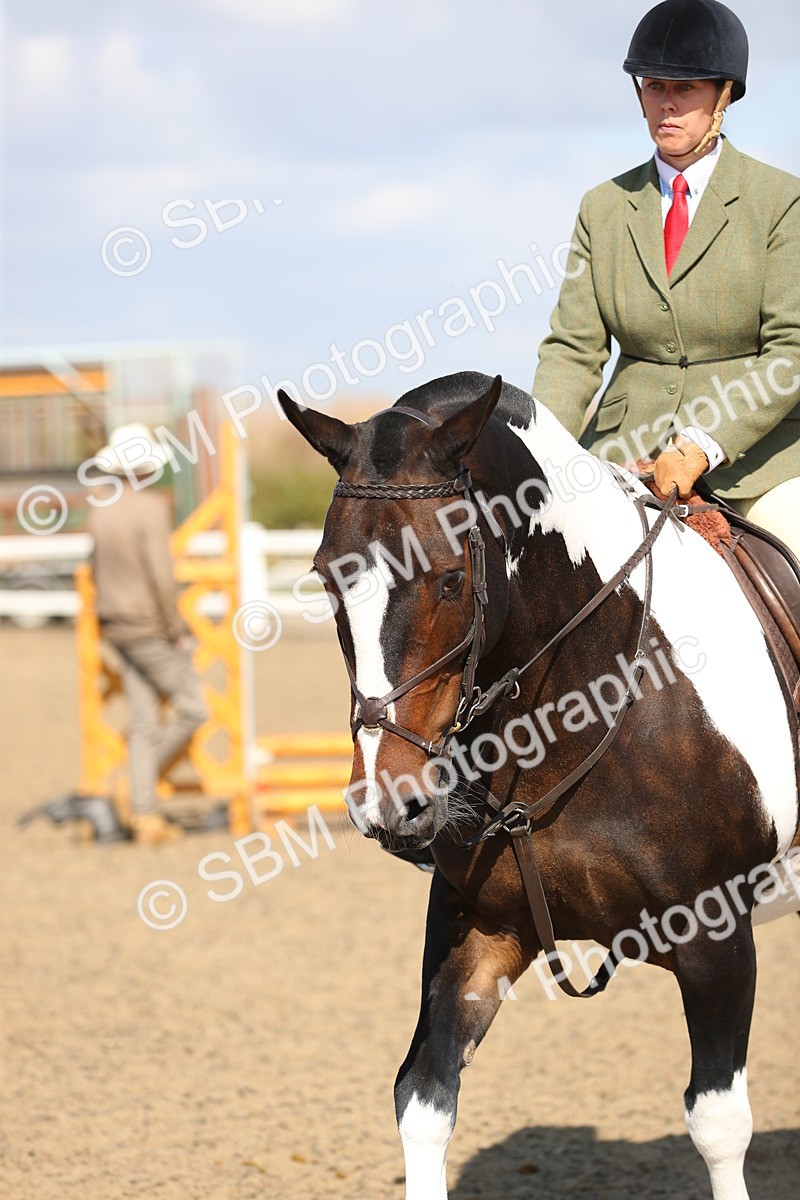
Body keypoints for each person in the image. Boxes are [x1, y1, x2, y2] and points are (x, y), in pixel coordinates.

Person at [533, 0, 800, 558]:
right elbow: (574, 351)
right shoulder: (603, 206)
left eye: (686, 88)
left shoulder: (781, 201)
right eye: (655, 87)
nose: (667, 105)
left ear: (724, 95)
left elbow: (791, 351)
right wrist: (538, 450)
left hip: (755, 460)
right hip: (620, 453)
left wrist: (706, 443)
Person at [87, 424, 208, 843]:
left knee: (143, 722)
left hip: (115, 626)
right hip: (148, 627)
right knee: (194, 709)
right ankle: (134, 789)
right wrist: (176, 629)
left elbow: (95, 568)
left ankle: (144, 814)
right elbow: (161, 577)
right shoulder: (151, 508)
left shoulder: (100, 509)